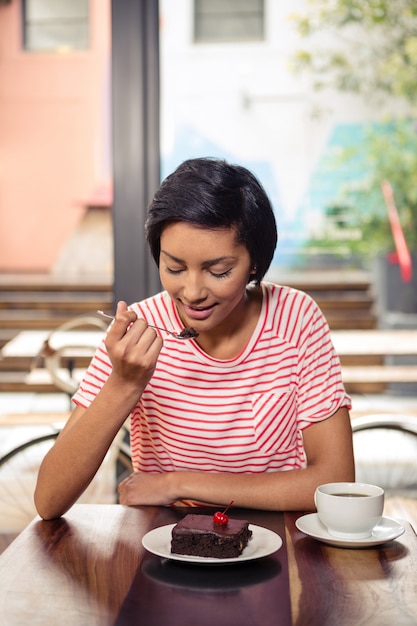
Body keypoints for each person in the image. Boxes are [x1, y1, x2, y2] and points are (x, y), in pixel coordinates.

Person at [34, 157, 354, 520]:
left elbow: (335, 481)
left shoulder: (295, 319)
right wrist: (124, 383)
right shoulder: (139, 331)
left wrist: (177, 483)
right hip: (165, 545)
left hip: (279, 543)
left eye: (219, 271)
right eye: (174, 268)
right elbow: (48, 500)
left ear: (253, 262)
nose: (192, 291)